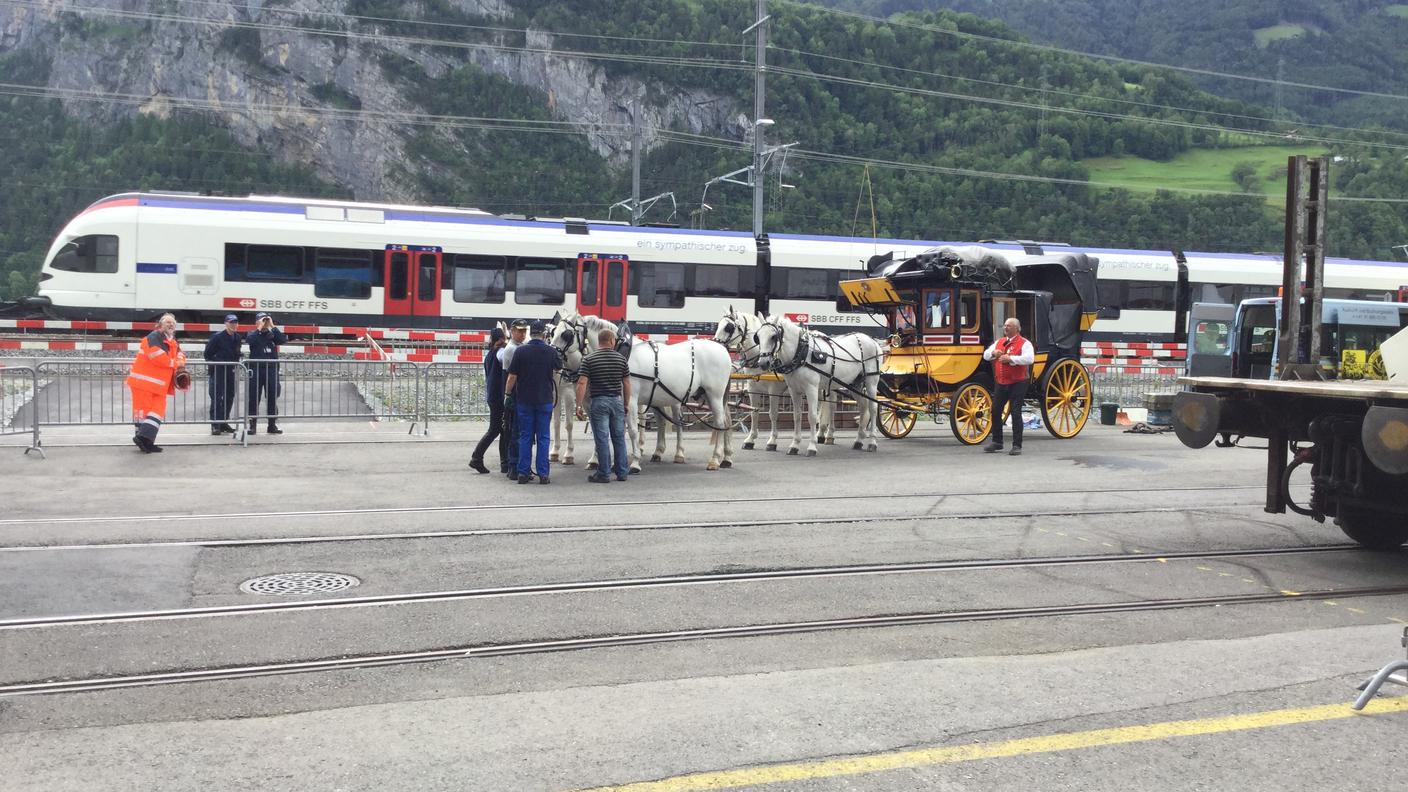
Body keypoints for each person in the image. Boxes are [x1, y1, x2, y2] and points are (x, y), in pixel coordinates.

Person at [505, 319, 561, 484]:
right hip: (544, 400)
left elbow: (512, 377)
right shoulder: (550, 352)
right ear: (544, 334)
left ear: (531, 333)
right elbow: (559, 367)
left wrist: (507, 394)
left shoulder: (521, 351)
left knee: (525, 437)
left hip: (524, 400)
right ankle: (543, 474)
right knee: (543, 437)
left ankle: (522, 473)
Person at [575, 328, 632, 483]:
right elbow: (626, 383)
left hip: (599, 402)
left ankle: (604, 473)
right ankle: (622, 472)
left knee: (602, 439)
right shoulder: (621, 359)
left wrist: (578, 405)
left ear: (600, 341)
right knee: (619, 437)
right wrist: (626, 403)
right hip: (616, 401)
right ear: (612, 341)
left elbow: (582, 382)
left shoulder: (589, 359)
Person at [125, 312, 188, 453]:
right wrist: (176, 364)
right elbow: (157, 356)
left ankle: (145, 439)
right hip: (143, 383)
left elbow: (181, 354)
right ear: (160, 325)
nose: (171, 324)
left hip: (158, 385)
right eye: (167, 322)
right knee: (144, 413)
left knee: (156, 412)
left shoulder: (172, 340)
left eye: (173, 322)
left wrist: (180, 362)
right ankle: (144, 441)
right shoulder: (154, 337)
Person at [983, 317, 1034, 456]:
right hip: (1001, 382)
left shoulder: (1025, 343)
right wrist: (993, 353)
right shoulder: (999, 342)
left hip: (1018, 382)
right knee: (995, 410)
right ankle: (997, 441)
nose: (1005, 328)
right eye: (1005, 326)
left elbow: (1029, 358)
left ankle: (1017, 445)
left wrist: (1011, 358)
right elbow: (986, 355)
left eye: (1009, 326)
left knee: (1015, 412)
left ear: (1017, 328)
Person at [469, 326, 508, 474]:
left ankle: (504, 463)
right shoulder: (500, 352)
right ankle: (476, 458)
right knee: (496, 430)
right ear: (501, 339)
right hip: (499, 396)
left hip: (493, 396)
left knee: (501, 429)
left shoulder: (489, 354)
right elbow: (505, 359)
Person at [245, 312, 287, 435]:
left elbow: (283, 340)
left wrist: (272, 326)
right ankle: (252, 426)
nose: (264, 323)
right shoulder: (253, 334)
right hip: (257, 370)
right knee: (254, 398)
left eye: (265, 320)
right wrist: (259, 328)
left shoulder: (272, 334)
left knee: (272, 397)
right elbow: (250, 340)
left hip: (271, 370)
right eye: (261, 320)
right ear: (256, 322)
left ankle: (272, 425)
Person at [498, 319, 529, 478]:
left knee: (517, 432)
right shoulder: (512, 349)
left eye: (524, 331)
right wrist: (508, 396)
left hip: (518, 394)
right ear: (512, 331)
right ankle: (513, 466)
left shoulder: (519, 347)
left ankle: (514, 466)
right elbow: (511, 376)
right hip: (515, 394)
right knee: (515, 433)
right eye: (519, 331)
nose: (522, 334)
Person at [204, 314, 242, 435]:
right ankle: (215, 425)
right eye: (231, 323)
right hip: (218, 371)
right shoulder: (217, 337)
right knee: (217, 397)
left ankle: (224, 422)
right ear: (225, 324)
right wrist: (217, 362)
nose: (234, 325)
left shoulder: (237, 337)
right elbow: (207, 354)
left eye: (235, 322)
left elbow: (236, 352)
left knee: (229, 396)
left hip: (231, 371)